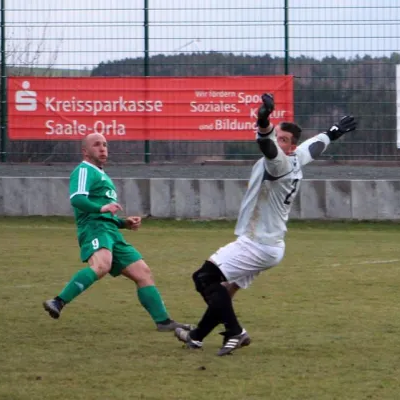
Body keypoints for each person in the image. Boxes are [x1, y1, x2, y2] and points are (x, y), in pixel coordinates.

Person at [174, 93, 356, 355]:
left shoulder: (278, 162)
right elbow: (314, 147)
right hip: (270, 244)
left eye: (283, 139)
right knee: (224, 291)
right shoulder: (296, 156)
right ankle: (197, 336)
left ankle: (236, 332)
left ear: (290, 147)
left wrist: (263, 120)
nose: (277, 142)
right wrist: (333, 132)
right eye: (278, 136)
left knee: (204, 277)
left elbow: (267, 146)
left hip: (257, 243)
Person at [42, 132, 190, 332]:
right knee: (102, 265)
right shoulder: (84, 170)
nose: (102, 148)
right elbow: (77, 199)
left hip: (111, 231)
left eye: (104, 144)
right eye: (96, 145)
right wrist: (101, 209)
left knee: (143, 272)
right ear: (85, 151)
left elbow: (105, 211)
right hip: (94, 228)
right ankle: (58, 302)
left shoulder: (102, 174)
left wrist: (123, 223)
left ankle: (163, 321)